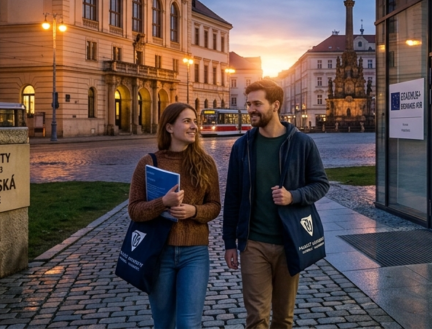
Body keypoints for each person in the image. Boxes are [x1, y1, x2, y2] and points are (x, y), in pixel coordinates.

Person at [223, 79, 329, 329]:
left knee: (283, 318)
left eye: (257, 103)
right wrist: (230, 242)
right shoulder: (242, 146)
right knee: (257, 317)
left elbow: (321, 184)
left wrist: (293, 196)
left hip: (290, 241)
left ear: (276, 105)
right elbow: (233, 197)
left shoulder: (302, 143)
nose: (251, 109)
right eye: (249, 104)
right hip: (253, 244)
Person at [128, 103, 221, 329]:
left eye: (194, 121)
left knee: (189, 324)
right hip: (159, 254)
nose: (194, 127)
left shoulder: (206, 163)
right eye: (187, 121)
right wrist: (163, 203)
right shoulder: (149, 162)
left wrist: (194, 211)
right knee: (163, 323)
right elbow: (134, 210)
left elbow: (215, 206)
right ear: (169, 127)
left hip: (195, 254)